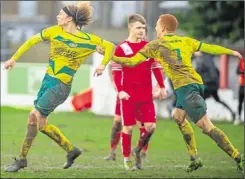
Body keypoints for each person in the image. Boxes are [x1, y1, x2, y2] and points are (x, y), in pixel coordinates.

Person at [96, 14, 244, 173]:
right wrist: (231, 52)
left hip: (186, 88)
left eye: (157, 26)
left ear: (163, 28)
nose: (154, 29)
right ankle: (195, 158)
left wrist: (110, 55)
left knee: (207, 127)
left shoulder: (156, 45)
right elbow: (210, 48)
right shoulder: (186, 41)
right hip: (195, 84)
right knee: (178, 117)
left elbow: (131, 61)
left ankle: (238, 157)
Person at [4, 1, 115, 172]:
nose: (57, 17)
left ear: (69, 18)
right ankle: (71, 150)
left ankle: (21, 159)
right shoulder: (53, 31)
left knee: (33, 115)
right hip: (47, 81)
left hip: (61, 85)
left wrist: (102, 65)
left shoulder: (87, 40)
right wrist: (14, 58)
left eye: (60, 14)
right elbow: (32, 41)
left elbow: (110, 46)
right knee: (40, 124)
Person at [97, 14, 167, 170]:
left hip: (146, 95)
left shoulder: (149, 47)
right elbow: (116, 70)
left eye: (144, 28)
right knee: (126, 127)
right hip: (128, 95)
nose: (142, 30)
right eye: (138, 27)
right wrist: (120, 90)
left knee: (150, 127)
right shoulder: (122, 48)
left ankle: (139, 150)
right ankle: (125, 157)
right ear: (130, 28)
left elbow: (156, 67)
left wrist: (161, 86)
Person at [195, 52, 236, 121]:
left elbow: (212, 72)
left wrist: (209, 81)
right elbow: (216, 72)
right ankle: (232, 112)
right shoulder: (204, 59)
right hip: (211, 85)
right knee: (217, 99)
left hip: (209, 85)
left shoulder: (206, 59)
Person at [234, 57, 244, 125]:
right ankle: (239, 118)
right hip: (242, 84)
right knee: (240, 102)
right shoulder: (242, 61)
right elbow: (237, 71)